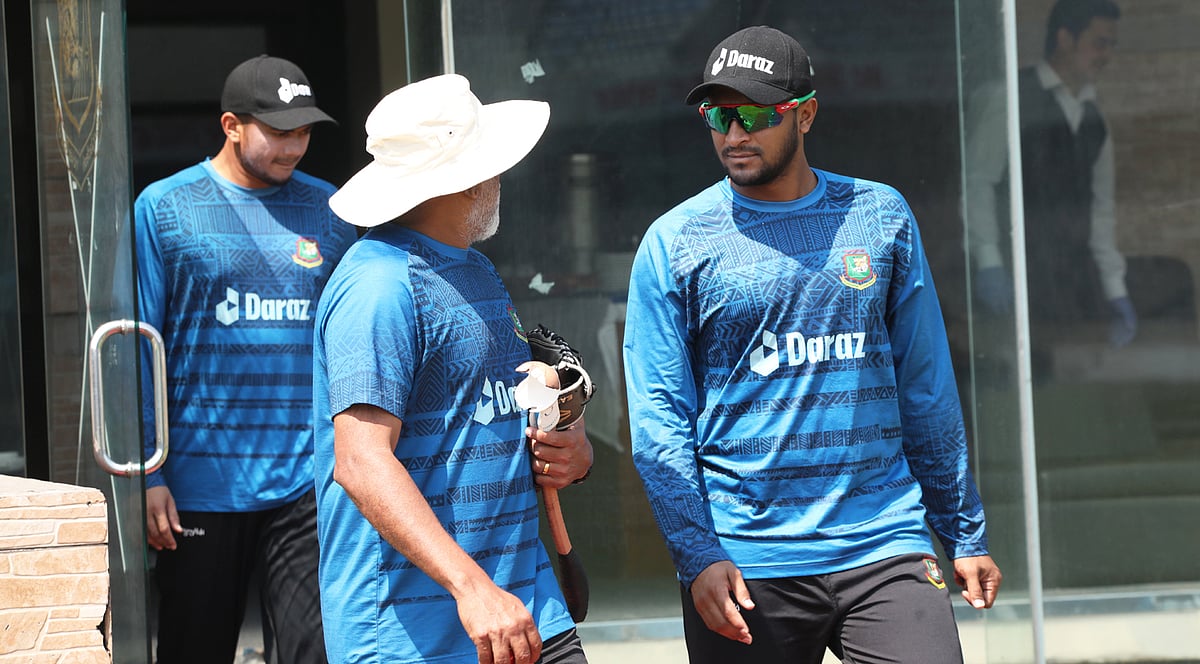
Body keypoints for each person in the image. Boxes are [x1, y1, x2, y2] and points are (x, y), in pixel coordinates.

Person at [622, 26, 1002, 664]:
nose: (734, 134)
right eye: (718, 114)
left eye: (754, 114)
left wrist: (963, 532)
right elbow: (659, 420)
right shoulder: (675, 241)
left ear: (806, 115)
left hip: (885, 542)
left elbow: (926, 384)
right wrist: (698, 556)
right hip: (746, 559)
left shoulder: (880, 215)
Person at [312, 73, 593, 664]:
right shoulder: (379, 286)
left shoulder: (476, 269)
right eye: (491, 165)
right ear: (463, 182)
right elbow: (361, 462)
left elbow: (497, 404)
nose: (499, 179)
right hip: (416, 635)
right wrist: (473, 588)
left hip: (526, 607)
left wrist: (570, 441)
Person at [135, 54, 356, 664]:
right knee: (193, 650)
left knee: (317, 653)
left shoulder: (332, 211)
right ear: (231, 125)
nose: (295, 147)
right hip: (201, 485)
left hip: (306, 481)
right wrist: (149, 475)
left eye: (305, 131)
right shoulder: (164, 207)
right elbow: (140, 347)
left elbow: (354, 336)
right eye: (280, 132)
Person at [965, 0, 1134, 350]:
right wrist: (989, 260)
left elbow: (1101, 210)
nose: (1106, 55)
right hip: (1015, 275)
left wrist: (1115, 289)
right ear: (1065, 38)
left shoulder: (1095, 120)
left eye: (1112, 46)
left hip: (1071, 281)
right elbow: (978, 182)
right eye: (1099, 42)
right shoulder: (1008, 98)